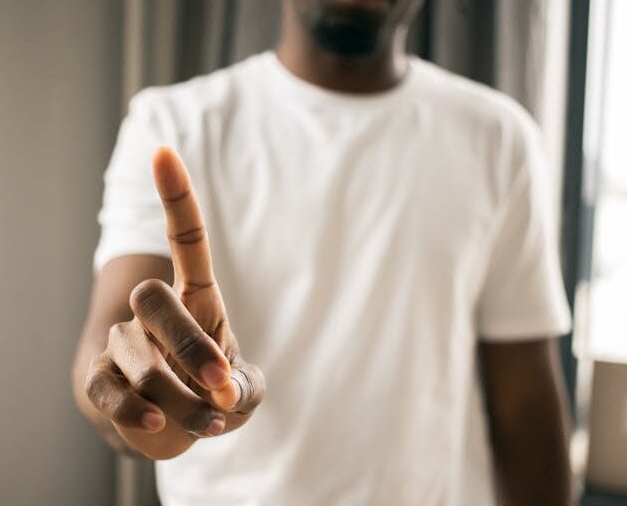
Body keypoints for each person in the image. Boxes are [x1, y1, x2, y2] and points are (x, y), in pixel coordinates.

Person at [72, 0, 574, 504]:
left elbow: (527, 412)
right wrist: (140, 396)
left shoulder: (499, 138)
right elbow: (112, 340)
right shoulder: (172, 123)